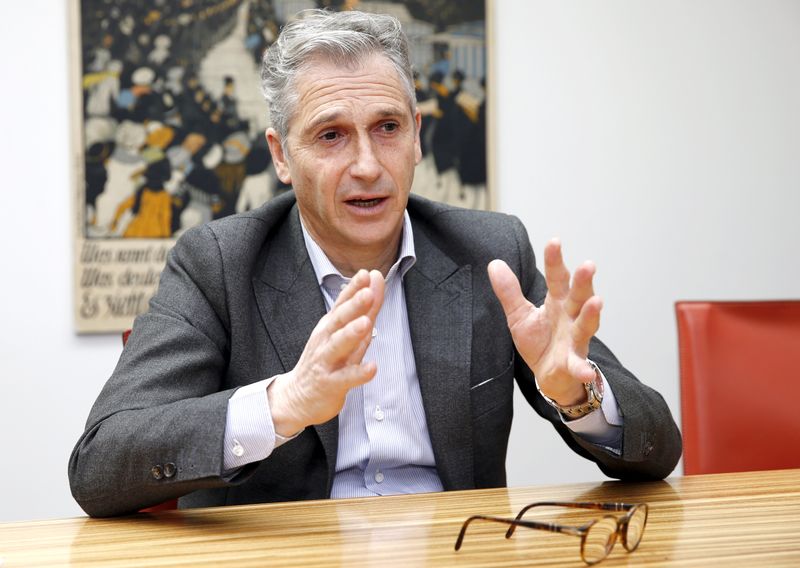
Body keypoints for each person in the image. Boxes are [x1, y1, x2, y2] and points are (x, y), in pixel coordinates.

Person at [69, 9, 681, 518]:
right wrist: (281, 405)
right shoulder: (219, 264)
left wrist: (579, 397)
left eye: (387, 127)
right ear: (282, 156)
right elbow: (99, 465)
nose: (367, 164)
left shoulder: (489, 253)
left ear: (417, 135)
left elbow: (660, 450)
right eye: (331, 135)